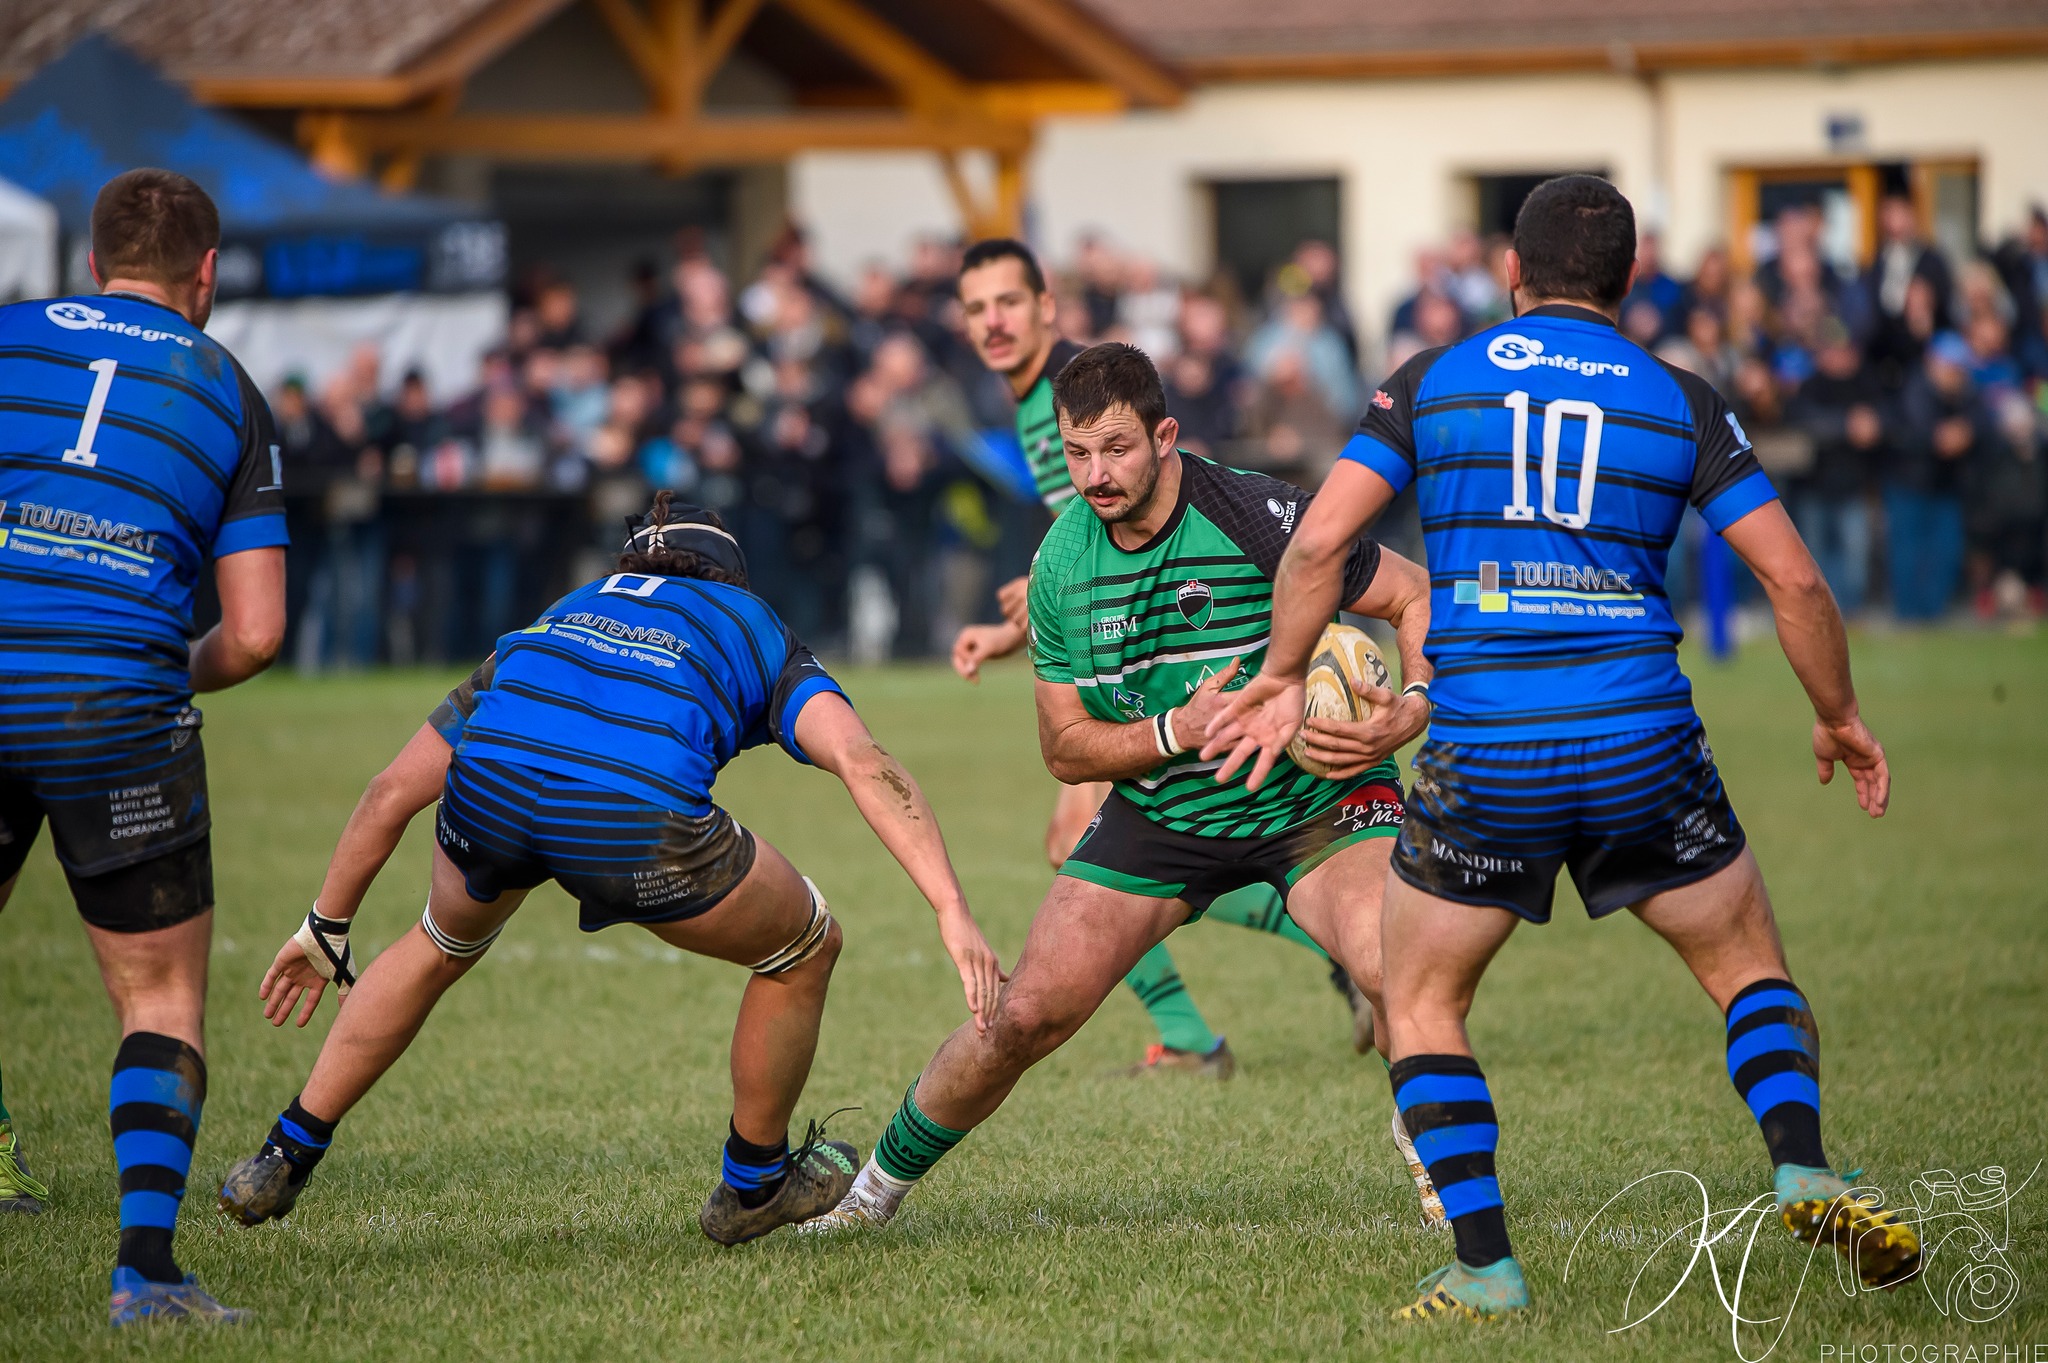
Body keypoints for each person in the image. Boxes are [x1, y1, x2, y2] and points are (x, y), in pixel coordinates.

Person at [1209, 175, 1921, 1322]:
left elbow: (1321, 540)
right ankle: (1799, 1162)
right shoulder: (1675, 398)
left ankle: (1485, 1267)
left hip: (1485, 749)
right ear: (1629, 280)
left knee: (1423, 1001)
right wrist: (1836, 715)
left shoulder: (1431, 379)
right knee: (1744, 967)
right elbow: (1791, 576)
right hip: (1640, 739)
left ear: (1509, 272)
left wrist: (1284, 675)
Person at [217, 499, 1002, 1249]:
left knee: (438, 941)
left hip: (486, 793)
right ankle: (754, 1185)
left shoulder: (561, 611)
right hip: (631, 820)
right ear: (729, 573)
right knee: (804, 945)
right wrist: (949, 905)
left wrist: (326, 922)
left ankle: (282, 1155)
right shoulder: (751, 621)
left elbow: (390, 791)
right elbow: (863, 761)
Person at [800, 343, 1442, 1235]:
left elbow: (1416, 598)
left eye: (1117, 448)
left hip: (1316, 803)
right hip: (1164, 813)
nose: (1095, 474)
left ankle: (1446, 1188)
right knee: (1019, 1016)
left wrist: (1409, 707)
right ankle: (868, 1197)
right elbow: (1064, 748)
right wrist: (1177, 730)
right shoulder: (1061, 562)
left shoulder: (1259, 514)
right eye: (1077, 453)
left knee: (1393, 966)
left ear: (1166, 434)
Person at [946, 241, 1372, 1078]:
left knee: (1092, 845)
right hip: (1110, 649)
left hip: (1151, 659)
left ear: (1047, 309)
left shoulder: (1064, 402)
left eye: (1007, 302)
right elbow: (1073, 554)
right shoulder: (1043, 407)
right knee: (1128, 848)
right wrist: (1013, 629)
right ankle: (1279, 983)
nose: (992, 322)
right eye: (975, 307)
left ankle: (1193, 1032)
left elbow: (1128, 524)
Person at [0, 169, 288, 1324]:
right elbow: (257, 631)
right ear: (205, 275)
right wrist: (153, 667)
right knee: (158, 992)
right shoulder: (224, 385)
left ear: (89, 264)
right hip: (114, 696)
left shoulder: (9, 341)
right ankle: (145, 1271)